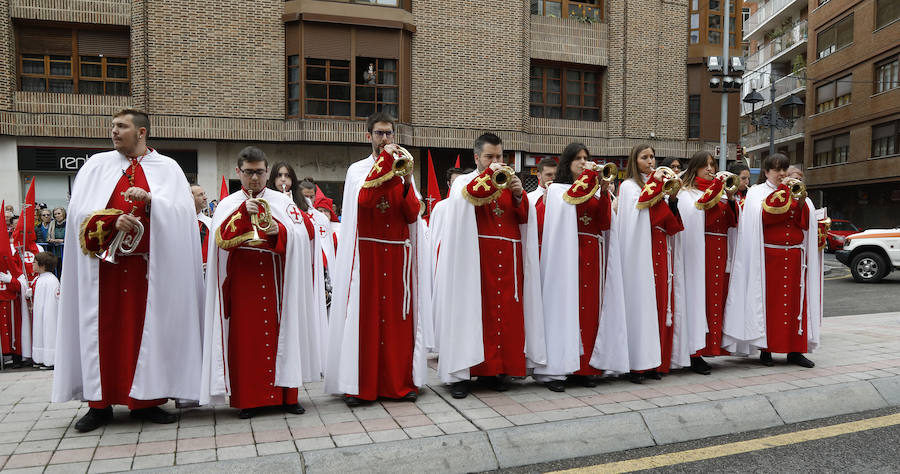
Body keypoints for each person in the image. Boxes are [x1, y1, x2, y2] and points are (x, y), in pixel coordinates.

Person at [52, 109, 205, 432]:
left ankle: (147, 403)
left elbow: (182, 216)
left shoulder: (168, 169)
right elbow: (78, 213)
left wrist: (152, 201)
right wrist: (110, 221)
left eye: (121, 126)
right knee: (102, 333)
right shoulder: (96, 166)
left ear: (142, 132)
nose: (114, 131)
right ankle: (99, 404)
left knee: (145, 334)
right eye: (112, 126)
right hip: (102, 275)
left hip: (149, 274)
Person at [202, 146, 324, 418]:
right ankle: (249, 399)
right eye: (248, 173)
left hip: (277, 277)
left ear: (267, 172)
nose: (254, 178)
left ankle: (288, 396)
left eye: (259, 172)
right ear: (238, 172)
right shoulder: (228, 203)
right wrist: (244, 214)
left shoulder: (283, 202)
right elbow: (220, 239)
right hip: (243, 278)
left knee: (285, 333)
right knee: (246, 340)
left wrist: (278, 231)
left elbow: (306, 234)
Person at [325, 112, 432, 406]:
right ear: (368, 136)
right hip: (367, 256)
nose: (385, 139)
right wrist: (385, 166)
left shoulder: (403, 169)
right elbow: (363, 202)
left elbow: (413, 213)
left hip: (398, 256)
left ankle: (400, 383)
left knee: (397, 322)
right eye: (379, 134)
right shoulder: (357, 170)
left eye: (389, 134)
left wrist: (408, 180)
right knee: (366, 320)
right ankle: (360, 386)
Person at [433, 133, 545, 398]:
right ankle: (462, 373)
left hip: (507, 260)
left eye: (500, 157)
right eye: (490, 157)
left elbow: (523, 219)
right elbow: (469, 197)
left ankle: (497, 370)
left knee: (504, 316)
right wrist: (489, 177)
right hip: (475, 262)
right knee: (474, 315)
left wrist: (519, 196)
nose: (496, 162)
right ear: (476, 158)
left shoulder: (509, 184)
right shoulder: (464, 181)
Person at [533, 143, 628, 391]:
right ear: (568, 163)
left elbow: (605, 223)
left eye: (587, 158)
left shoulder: (594, 190)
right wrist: (590, 177)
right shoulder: (557, 190)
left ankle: (586, 367)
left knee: (590, 312)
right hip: (567, 259)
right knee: (566, 309)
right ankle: (559, 369)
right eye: (578, 159)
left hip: (592, 257)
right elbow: (572, 199)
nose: (584, 162)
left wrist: (605, 192)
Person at [724, 153, 821, 368]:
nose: (782, 173)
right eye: (777, 169)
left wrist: (801, 200)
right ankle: (766, 349)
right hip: (768, 257)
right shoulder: (757, 193)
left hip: (795, 257)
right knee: (769, 303)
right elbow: (765, 218)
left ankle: (795, 350)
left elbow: (804, 223)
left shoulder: (796, 191)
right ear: (766, 172)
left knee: (796, 304)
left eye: (784, 169)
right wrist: (784, 193)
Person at [615, 144, 690, 383]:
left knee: (660, 305)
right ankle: (636, 364)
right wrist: (656, 184)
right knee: (640, 305)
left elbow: (670, 224)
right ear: (634, 161)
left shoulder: (657, 188)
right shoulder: (628, 186)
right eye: (644, 157)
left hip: (660, 250)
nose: (650, 161)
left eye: (652, 157)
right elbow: (639, 212)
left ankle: (654, 362)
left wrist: (674, 200)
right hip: (640, 252)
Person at [674, 151, 739, 375]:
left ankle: (712, 347)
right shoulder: (687, 193)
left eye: (713, 165)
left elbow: (732, 222)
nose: (711, 169)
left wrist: (730, 199)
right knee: (699, 299)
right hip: (700, 253)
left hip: (720, 253)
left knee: (716, 299)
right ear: (696, 168)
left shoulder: (719, 193)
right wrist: (713, 195)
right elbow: (695, 219)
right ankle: (695, 352)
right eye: (706, 166)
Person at [268, 162, 334, 309]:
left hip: (298, 262)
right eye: (279, 176)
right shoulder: (267, 200)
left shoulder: (302, 205)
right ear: (273, 178)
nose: (283, 180)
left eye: (287, 176)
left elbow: (308, 233)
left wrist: (289, 204)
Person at [0, 207, 28, 370]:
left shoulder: (12, 262)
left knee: (13, 330)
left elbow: (20, 285)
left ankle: (16, 356)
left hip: (11, 300)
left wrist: (10, 279)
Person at [29, 252, 59, 368]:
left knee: (49, 334)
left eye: (34, 262)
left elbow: (54, 300)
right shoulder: (39, 279)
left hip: (48, 313)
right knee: (39, 333)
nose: (32, 264)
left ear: (42, 265)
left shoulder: (51, 280)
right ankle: (40, 357)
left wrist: (48, 314)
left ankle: (51, 359)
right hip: (40, 313)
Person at [191, 184, 212, 272]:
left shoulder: (211, 223)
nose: (205, 198)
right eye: (200, 195)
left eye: (204, 194)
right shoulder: (180, 222)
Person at [46, 207, 66, 277]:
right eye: (55, 214)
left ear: (63, 214)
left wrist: (62, 241)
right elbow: (48, 238)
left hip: (66, 252)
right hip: (55, 252)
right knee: (57, 272)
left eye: (59, 213)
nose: (57, 215)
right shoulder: (52, 223)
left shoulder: (68, 223)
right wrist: (56, 240)